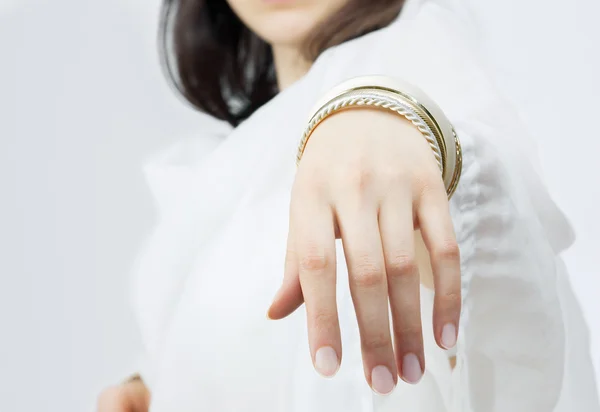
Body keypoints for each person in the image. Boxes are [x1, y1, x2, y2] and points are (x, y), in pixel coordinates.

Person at [98, 0, 599, 411]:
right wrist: (163, 383)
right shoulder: (230, 164)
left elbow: (497, 235)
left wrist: (394, 118)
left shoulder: (429, 65)